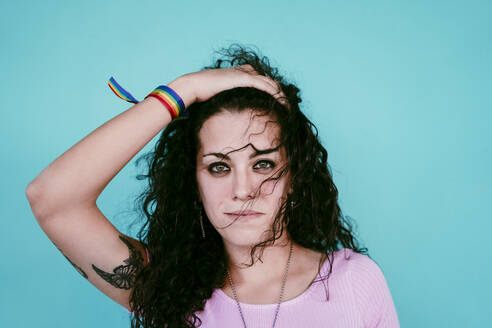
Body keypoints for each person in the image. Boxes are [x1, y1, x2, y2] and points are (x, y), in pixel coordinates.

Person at [26, 44, 400, 328]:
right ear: (194, 182)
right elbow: (52, 199)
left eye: (264, 164)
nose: (243, 189)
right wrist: (182, 90)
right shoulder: (167, 289)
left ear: (294, 176)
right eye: (219, 166)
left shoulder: (355, 282)